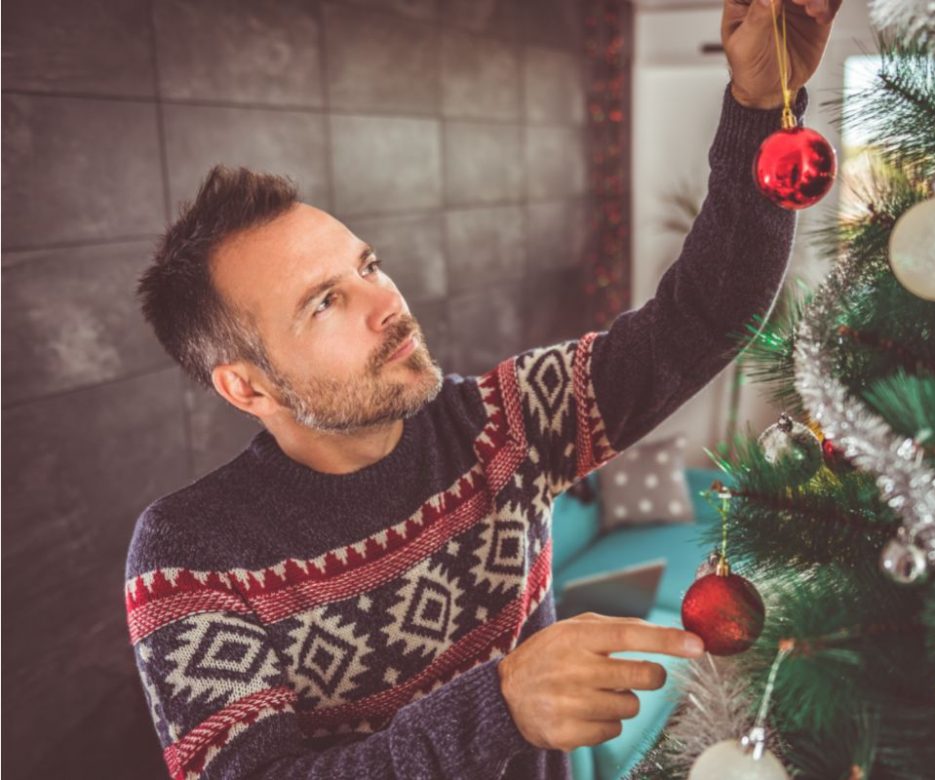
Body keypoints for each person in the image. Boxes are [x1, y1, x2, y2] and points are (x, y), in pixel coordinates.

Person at [125, 0, 840, 777]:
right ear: (247, 387)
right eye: (325, 302)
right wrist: (498, 708)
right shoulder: (190, 556)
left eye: (368, 266)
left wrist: (761, 107)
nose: (387, 303)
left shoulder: (508, 422)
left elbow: (707, 315)